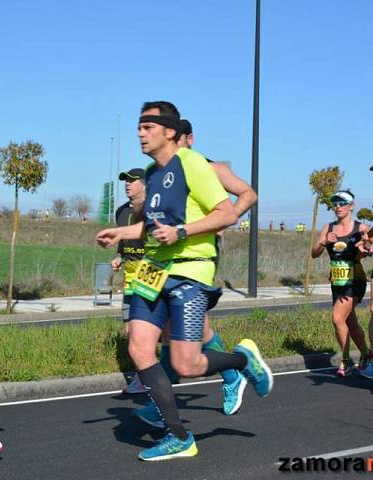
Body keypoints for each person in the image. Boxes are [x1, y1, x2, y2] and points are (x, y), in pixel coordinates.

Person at [97, 101, 273, 461]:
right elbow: (149, 226)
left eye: (147, 127)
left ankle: (241, 361)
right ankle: (179, 437)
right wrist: (120, 233)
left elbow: (225, 213)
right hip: (153, 269)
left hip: (189, 271)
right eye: (139, 127)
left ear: (170, 131)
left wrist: (182, 231)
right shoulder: (152, 171)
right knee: (139, 348)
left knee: (185, 364)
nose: (140, 134)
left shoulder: (194, 163)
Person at [137, 117, 257, 422]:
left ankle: (233, 374)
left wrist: (218, 225)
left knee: (189, 331)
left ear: (188, 139)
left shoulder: (208, 167)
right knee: (173, 331)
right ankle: (166, 399)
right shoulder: (164, 171)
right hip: (161, 260)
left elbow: (248, 195)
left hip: (193, 256)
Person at [311, 190, 370, 376]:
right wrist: (323, 242)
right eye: (334, 203)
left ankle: (345, 360)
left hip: (355, 280)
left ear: (351, 205)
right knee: (350, 323)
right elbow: (314, 253)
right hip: (337, 281)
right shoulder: (328, 228)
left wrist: (365, 246)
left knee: (337, 318)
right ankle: (366, 354)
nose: (337, 206)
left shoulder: (362, 228)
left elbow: (368, 251)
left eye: (342, 203)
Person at [111, 168, 147, 394]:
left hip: (150, 273)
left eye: (132, 181)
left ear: (144, 185)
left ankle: (147, 376)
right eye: (125, 181)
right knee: (129, 330)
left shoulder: (153, 209)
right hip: (130, 277)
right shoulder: (121, 212)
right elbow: (121, 243)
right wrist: (118, 257)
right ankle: (143, 375)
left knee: (144, 329)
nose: (127, 184)